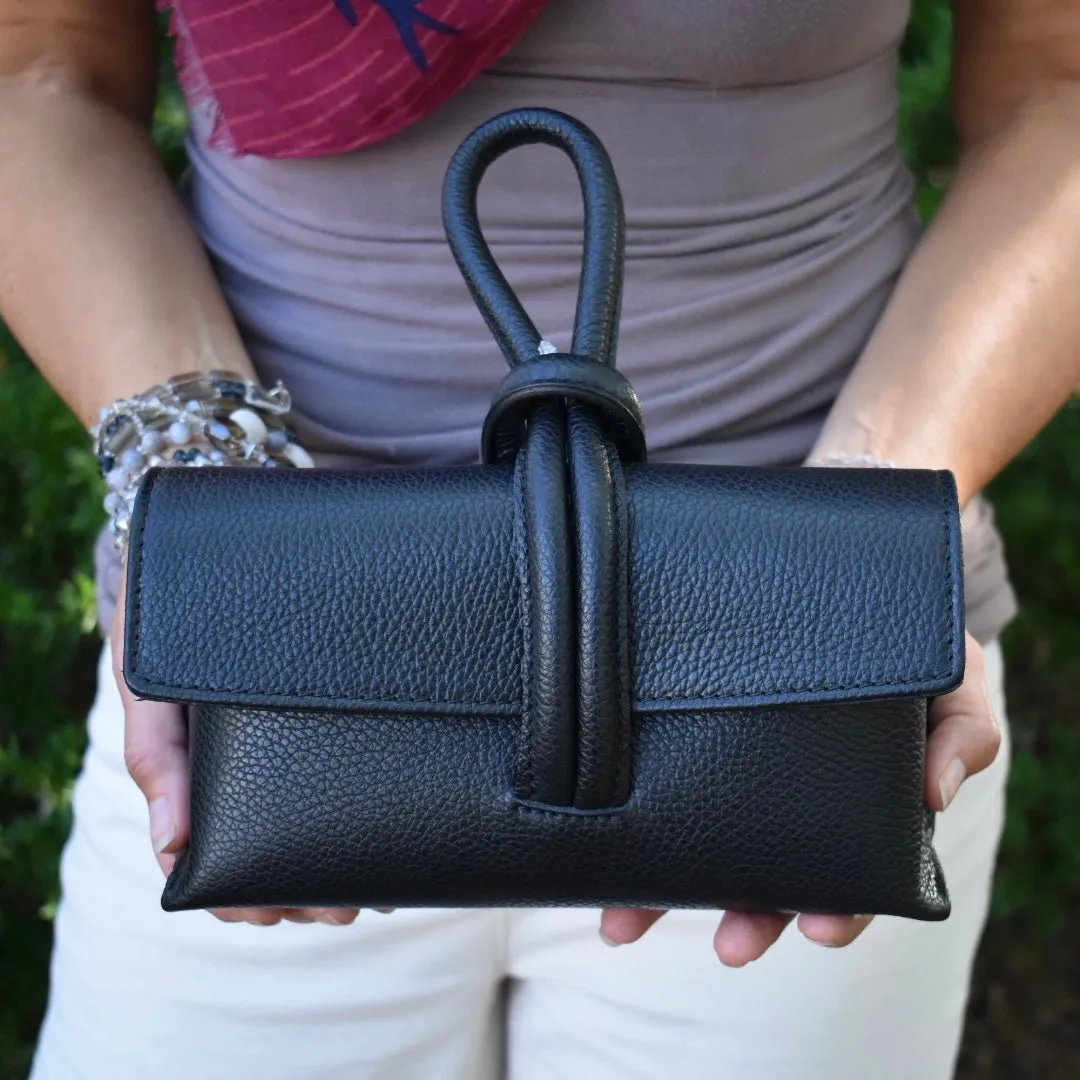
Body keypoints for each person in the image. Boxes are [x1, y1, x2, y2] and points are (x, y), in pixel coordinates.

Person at [3, 0, 1076, 1076]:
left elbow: (1058, 89)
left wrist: (864, 547)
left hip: (797, 689)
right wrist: (196, 491)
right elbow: (38, 75)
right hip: (263, 692)